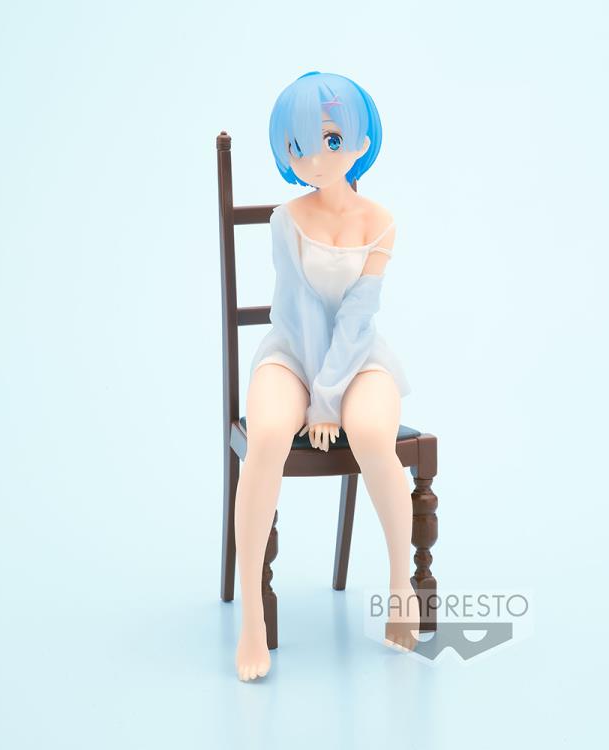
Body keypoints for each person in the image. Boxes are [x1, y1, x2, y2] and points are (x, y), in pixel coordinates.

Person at [234, 71, 419, 682]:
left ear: (361, 141)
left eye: (331, 139)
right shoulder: (286, 220)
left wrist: (332, 398)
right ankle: (253, 617)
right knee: (266, 436)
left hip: (359, 357)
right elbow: (303, 311)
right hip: (292, 351)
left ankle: (400, 585)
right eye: (299, 145)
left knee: (370, 434)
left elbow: (357, 316)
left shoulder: (380, 222)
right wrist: (316, 398)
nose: (315, 157)